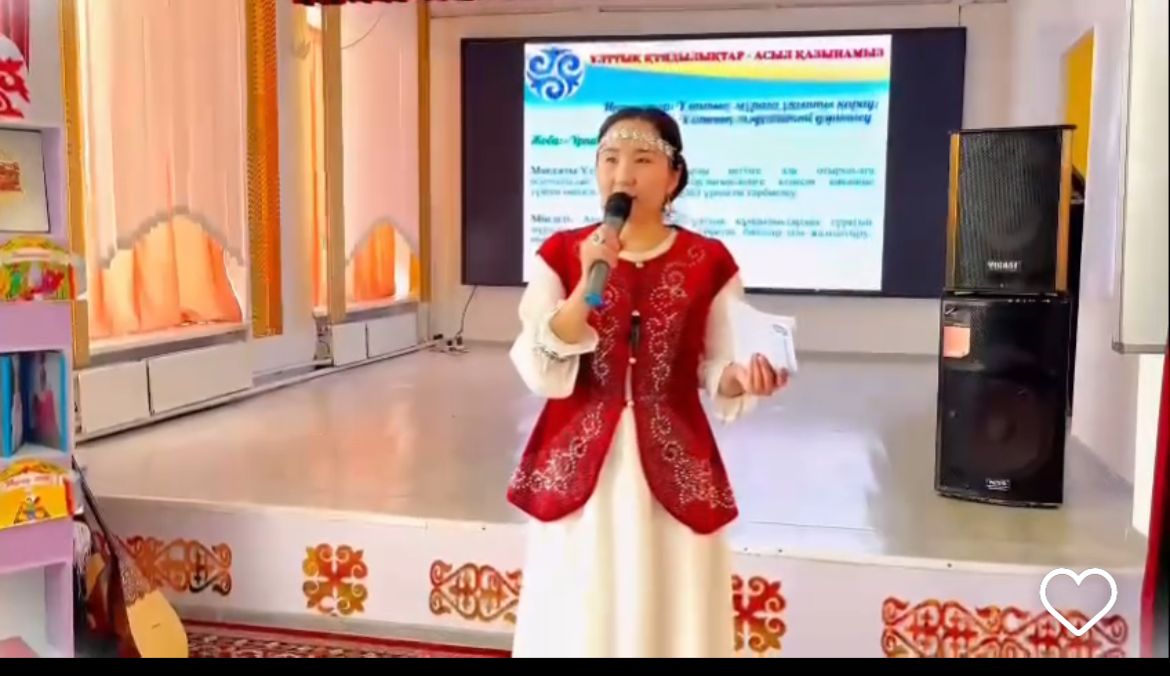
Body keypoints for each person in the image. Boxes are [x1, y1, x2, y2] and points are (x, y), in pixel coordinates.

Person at [507, 106, 789, 658]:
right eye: (609, 160)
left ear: (673, 176)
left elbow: (720, 366)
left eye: (641, 160)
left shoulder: (710, 261)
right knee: (579, 614)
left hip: (675, 465)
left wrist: (742, 378)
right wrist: (587, 283)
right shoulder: (561, 254)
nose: (622, 176)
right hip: (581, 472)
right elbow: (541, 365)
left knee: (673, 615)